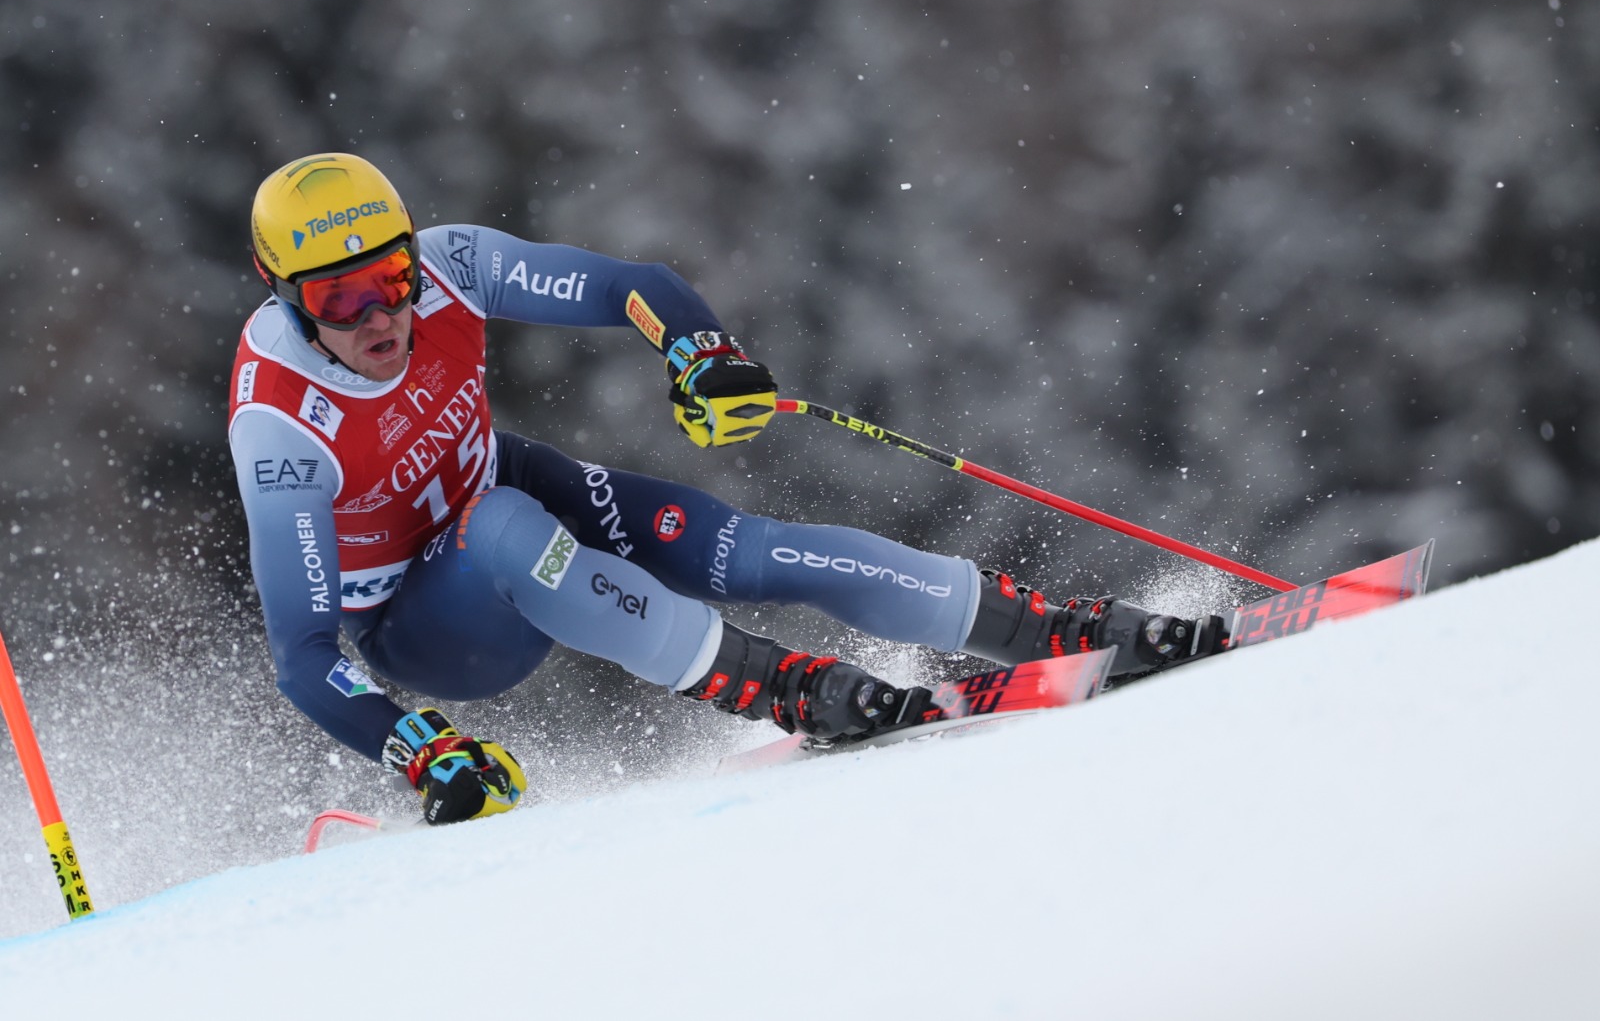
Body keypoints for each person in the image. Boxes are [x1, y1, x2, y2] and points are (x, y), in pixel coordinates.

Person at [229, 153, 1213, 826]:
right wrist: (419, 748)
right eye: (338, 298)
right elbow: (304, 653)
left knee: (742, 548)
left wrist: (700, 354)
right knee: (503, 526)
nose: (380, 313)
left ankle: (1039, 628)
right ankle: (775, 684)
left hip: (506, 487)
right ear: (286, 297)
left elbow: (631, 284)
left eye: (389, 276)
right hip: (430, 620)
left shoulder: (452, 270)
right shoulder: (280, 425)